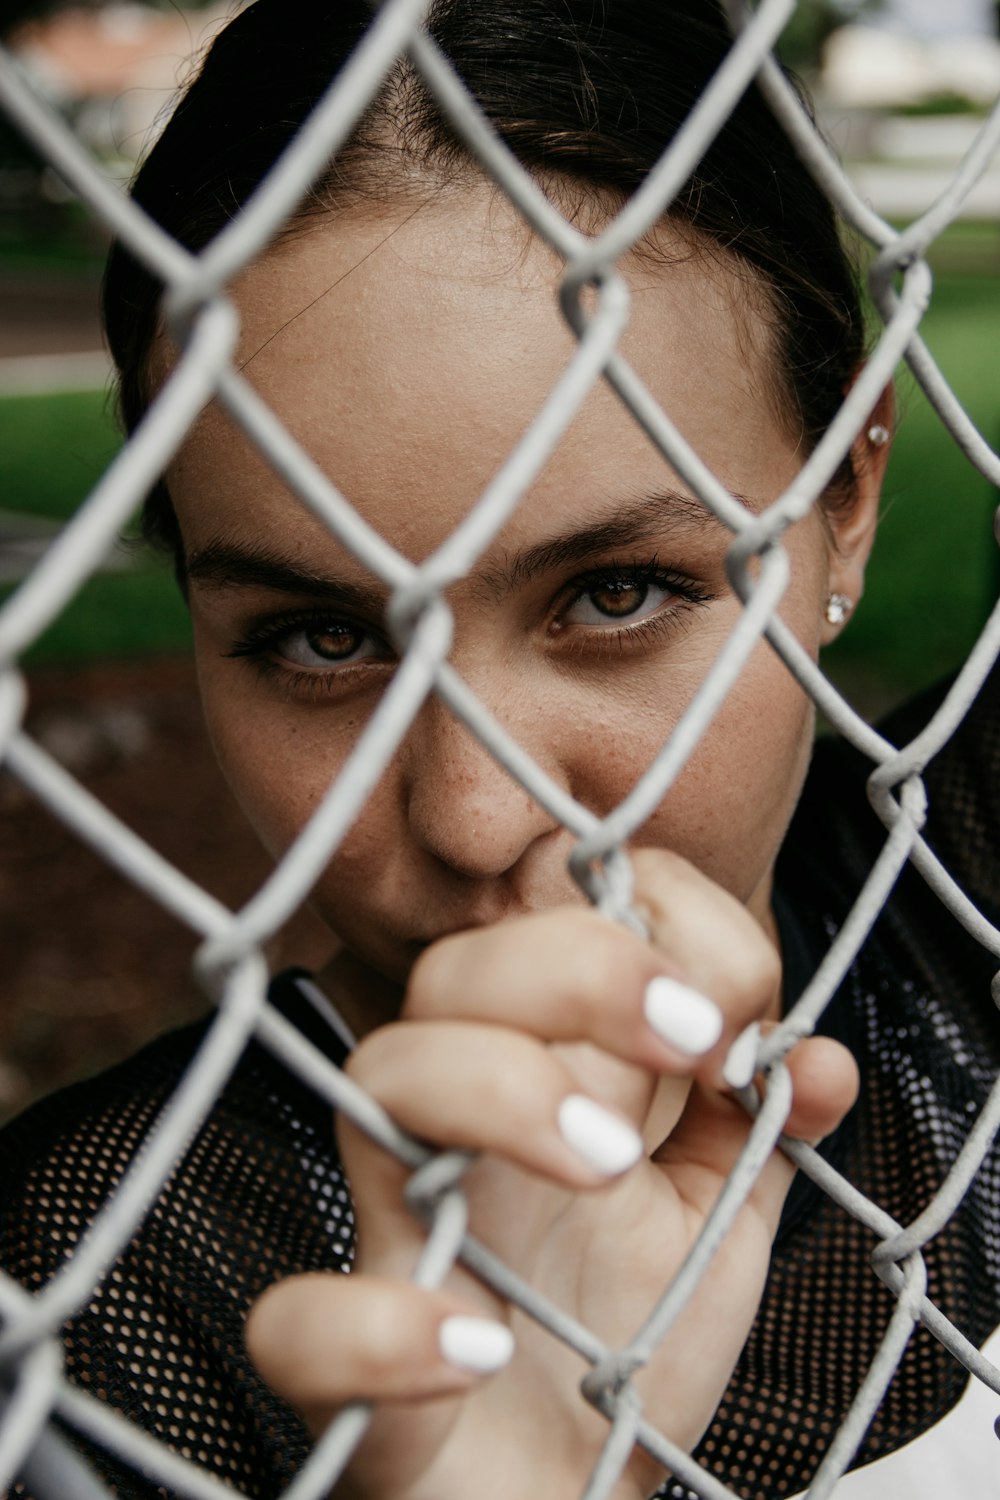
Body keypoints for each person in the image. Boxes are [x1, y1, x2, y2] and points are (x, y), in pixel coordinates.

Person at [2, 1, 999, 1497]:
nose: (475, 816)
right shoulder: (95, 1305)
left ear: (840, 500)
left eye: (618, 595)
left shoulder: (965, 894)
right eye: (321, 642)